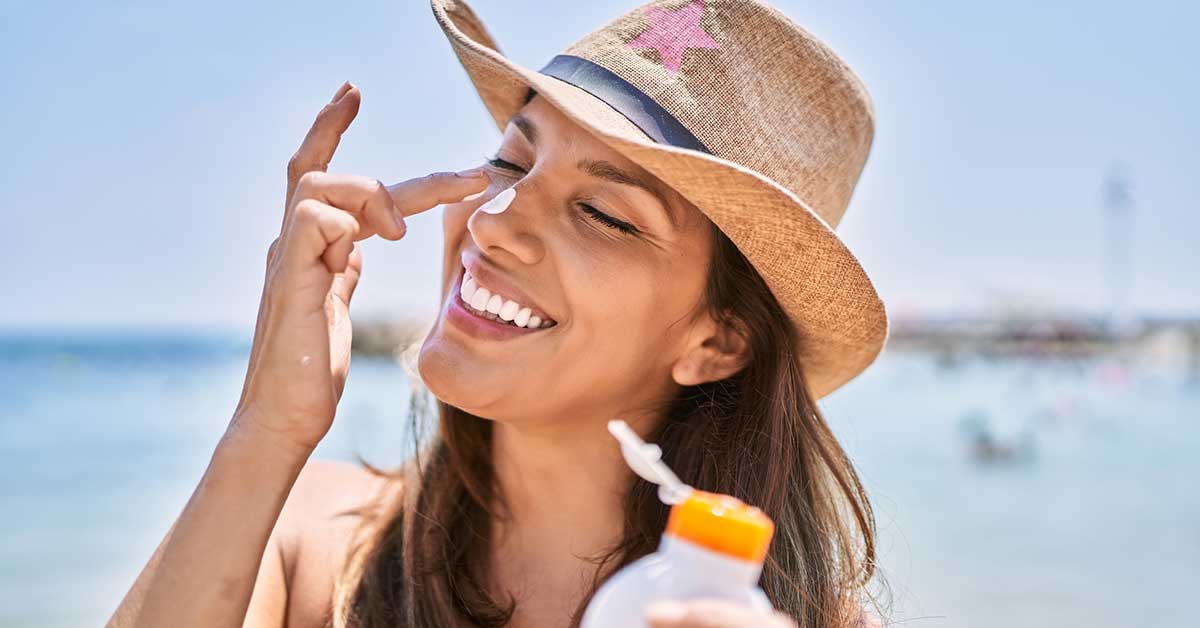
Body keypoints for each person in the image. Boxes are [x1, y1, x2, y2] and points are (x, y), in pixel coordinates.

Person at [108, 0, 889, 626]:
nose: (491, 221)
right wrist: (266, 428)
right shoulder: (310, 541)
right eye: (510, 163)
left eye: (603, 213)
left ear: (717, 341)